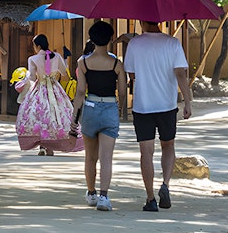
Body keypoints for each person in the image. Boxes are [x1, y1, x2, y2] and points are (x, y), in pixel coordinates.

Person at [123, 21, 193, 212]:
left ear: (141, 21)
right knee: (168, 145)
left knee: (146, 152)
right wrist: (187, 101)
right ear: (160, 21)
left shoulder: (135, 44)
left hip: (143, 105)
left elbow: (131, 73)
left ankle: (150, 198)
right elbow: (180, 73)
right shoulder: (173, 43)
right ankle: (165, 184)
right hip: (167, 105)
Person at [72, 22, 127, 212]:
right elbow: (121, 91)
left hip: (90, 107)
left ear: (92, 38)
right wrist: (121, 112)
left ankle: (91, 193)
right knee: (106, 157)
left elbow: (80, 92)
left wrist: (74, 117)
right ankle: (104, 196)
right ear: (111, 38)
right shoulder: (117, 64)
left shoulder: (83, 63)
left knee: (90, 157)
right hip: (110, 107)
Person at [15, 34, 74, 156]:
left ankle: (42, 145)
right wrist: (64, 60)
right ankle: (51, 144)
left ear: (38, 46)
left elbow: (31, 77)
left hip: (40, 87)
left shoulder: (33, 59)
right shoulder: (57, 56)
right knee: (55, 115)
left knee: (39, 115)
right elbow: (64, 73)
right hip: (54, 88)